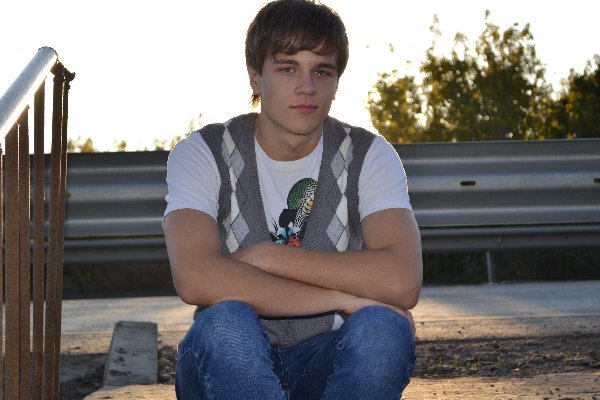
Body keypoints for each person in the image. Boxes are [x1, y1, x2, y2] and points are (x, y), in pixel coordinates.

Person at [163, 0, 423, 398]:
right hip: (228, 366)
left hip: (326, 358)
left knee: (384, 329)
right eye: (288, 68)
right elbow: (196, 278)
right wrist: (343, 298)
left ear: (336, 82)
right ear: (256, 78)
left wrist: (269, 257)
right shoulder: (203, 152)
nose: (307, 87)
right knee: (225, 320)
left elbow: (402, 280)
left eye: (322, 71)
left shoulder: (368, 154)